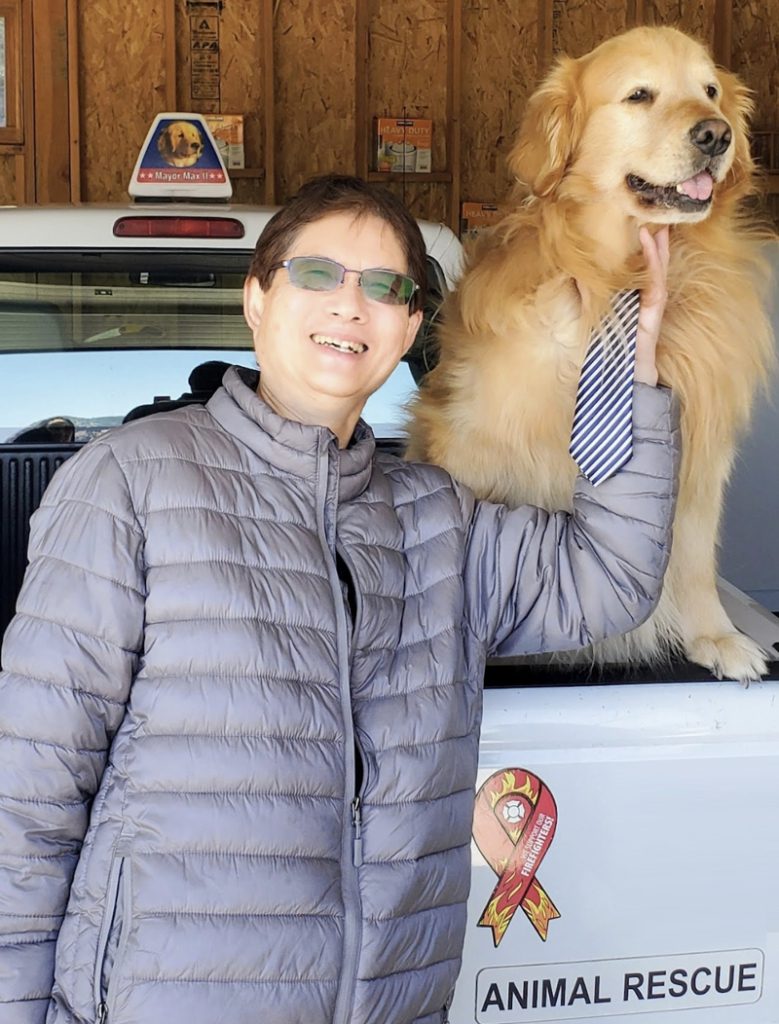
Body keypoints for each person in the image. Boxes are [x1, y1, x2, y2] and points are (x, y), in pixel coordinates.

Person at [0, 174, 677, 1024]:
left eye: (386, 286)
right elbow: (26, 797)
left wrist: (626, 362)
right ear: (256, 298)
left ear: (411, 328)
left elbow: (609, 575)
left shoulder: (439, 518)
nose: (350, 306)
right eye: (317, 274)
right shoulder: (130, 481)